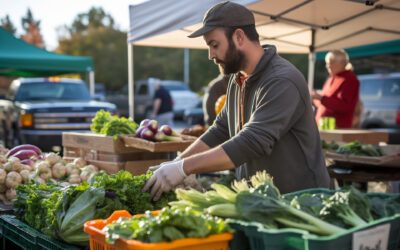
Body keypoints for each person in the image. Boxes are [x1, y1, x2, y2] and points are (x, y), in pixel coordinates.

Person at [143, 1, 330, 201]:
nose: (210, 55)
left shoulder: (281, 80)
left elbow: (252, 141)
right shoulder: (237, 79)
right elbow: (221, 129)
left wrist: (183, 168)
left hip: (303, 201)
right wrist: (178, 162)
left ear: (239, 37)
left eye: (215, 45)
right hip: (263, 201)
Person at [311, 49, 360, 128]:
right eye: (327, 63)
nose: (328, 66)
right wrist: (314, 96)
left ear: (342, 63)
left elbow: (344, 106)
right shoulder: (331, 79)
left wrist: (320, 98)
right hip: (324, 126)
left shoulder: (350, 80)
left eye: (331, 62)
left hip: (337, 128)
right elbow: (323, 103)